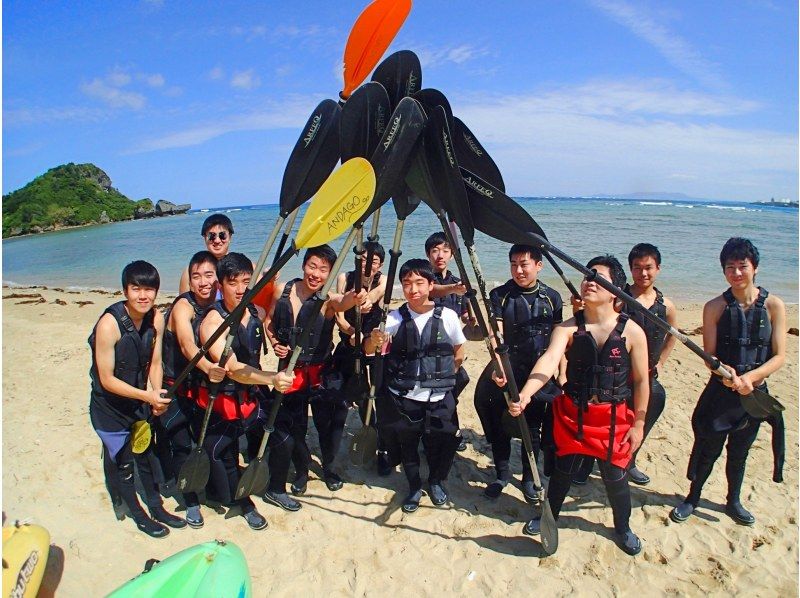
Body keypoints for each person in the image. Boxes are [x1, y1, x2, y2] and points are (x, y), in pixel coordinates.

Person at [512, 256, 650, 555]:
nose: (588, 282)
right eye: (587, 276)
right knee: (562, 472)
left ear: (615, 290)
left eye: (597, 277)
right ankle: (549, 515)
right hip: (573, 415)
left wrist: (639, 423)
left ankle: (623, 527)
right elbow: (548, 362)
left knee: (615, 478)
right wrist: (525, 394)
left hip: (613, 419)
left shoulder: (632, 332)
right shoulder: (567, 328)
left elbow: (641, 382)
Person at [670, 238, 786, 526]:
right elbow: (709, 355)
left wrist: (751, 379)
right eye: (730, 268)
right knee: (709, 446)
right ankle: (692, 497)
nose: (736, 273)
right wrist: (728, 375)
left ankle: (733, 501)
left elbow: (779, 356)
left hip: (755, 394)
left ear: (754, 268)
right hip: (722, 390)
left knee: (740, 450)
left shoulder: (774, 305)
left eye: (742, 267)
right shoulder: (714, 307)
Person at [264, 245, 366, 510]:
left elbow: (345, 302)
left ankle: (330, 468)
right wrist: (275, 342)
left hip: (321, 372)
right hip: (289, 372)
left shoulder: (329, 300)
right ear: (303, 265)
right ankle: (301, 468)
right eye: (312, 266)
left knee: (328, 425)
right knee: (295, 425)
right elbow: (269, 323)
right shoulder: (282, 290)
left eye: (323, 269)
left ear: (330, 273)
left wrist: (357, 297)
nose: (316, 274)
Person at [197, 252, 294, 531]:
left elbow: (266, 319)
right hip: (226, 399)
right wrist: (271, 378)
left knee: (283, 440)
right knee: (220, 456)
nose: (240, 289)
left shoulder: (255, 311)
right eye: (233, 283)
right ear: (220, 285)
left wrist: (276, 343)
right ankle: (243, 504)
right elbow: (234, 368)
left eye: (245, 282)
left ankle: (275, 488)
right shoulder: (212, 324)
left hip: (254, 397)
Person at [89, 260, 185, 537]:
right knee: (124, 463)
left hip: (139, 401)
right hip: (109, 407)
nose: (143, 296)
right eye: (136, 289)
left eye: (149, 289)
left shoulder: (156, 318)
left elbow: (155, 364)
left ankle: (156, 506)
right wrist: (148, 395)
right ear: (124, 291)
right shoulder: (109, 325)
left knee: (144, 453)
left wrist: (156, 398)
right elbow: (106, 379)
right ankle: (138, 513)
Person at [366, 259, 467, 513]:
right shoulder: (393, 318)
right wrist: (374, 339)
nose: (414, 290)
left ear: (431, 285)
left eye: (420, 283)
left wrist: (446, 375)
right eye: (407, 284)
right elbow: (370, 349)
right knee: (408, 445)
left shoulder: (448, 316)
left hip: (439, 395)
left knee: (443, 442)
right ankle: (413, 487)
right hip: (404, 396)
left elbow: (459, 350)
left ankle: (435, 481)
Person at [477, 244, 563, 501]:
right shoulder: (500, 295)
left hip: (537, 372)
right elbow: (496, 333)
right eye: (513, 264)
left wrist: (563, 371)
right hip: (508, 367)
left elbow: (559, 340)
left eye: (524, 264)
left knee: (532, 426)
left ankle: (528, 476)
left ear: (538, 265)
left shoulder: (552, 297)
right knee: (500, 422)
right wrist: (498, 363)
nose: (518, 270)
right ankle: (502, 474)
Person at [158, 251, 226, 528]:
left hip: (201, 385)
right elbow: (187, 344)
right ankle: (190, 500)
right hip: (176, 385)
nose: (203, 282)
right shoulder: (183, 307)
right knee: (182, 445)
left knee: (206, 439)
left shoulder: (220, 307)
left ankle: (209, 488)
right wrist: (209, 367)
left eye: (209, 275)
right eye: (196, 276)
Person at [621, 243, 678, 485]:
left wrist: (662, 360)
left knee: (644, 414)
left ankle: (629, 461)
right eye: (637, 268)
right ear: (630, 269)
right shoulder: (619, 298)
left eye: (648, 268)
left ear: (658, 269)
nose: (643, 274)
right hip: (618, 376)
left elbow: (673, 334)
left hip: (647, 376)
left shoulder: (667, 305)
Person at [332, 242, 390, 473]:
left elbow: (376, 294)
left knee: (376, 395)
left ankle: (381, 445)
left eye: (373, 262)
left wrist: (367, 299)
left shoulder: (384, 280)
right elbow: (337, 313)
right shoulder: (345, 278)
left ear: (381, 265)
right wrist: (349, 331)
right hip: (349, 341)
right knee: (341, 393)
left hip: (373, 345)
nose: (368, 266)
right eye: (364, 260)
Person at [426, 232, 473, 451]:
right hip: (427, 346)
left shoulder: (458, 282)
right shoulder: (424, 279)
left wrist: (470, 319)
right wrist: (454, 288)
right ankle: (437, 430)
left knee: (457, 383)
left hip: (450, 347)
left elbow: (463, 313)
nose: (440, 255)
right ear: (428, 254)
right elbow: (432, 291)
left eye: (445, 250)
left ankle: (450, 428)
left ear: (452, 254)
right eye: (435, 250)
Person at [179, 214, 234, 294]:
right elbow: (183, 302)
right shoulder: (191, 271)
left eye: (222, 235)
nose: (217, 240)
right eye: (211, 236)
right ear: (205, 238)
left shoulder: (246, 266)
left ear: (230, 237)